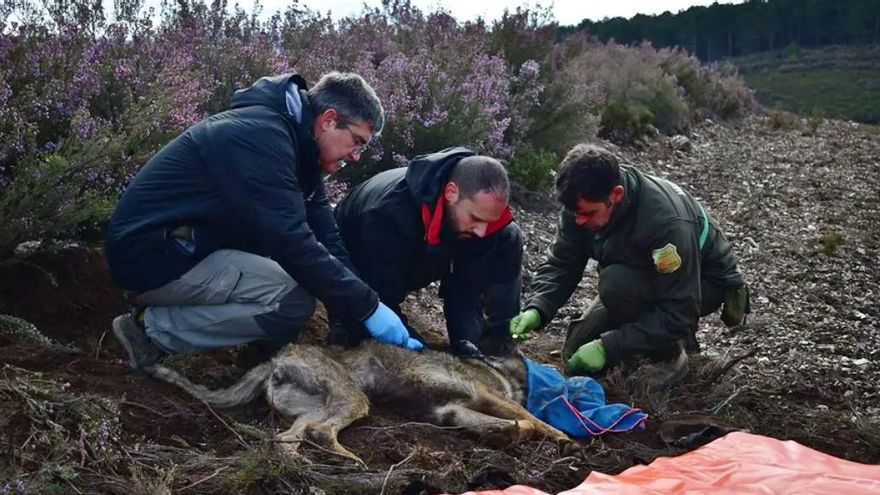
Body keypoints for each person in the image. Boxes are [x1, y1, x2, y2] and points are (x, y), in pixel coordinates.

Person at [105, 72, 423, 370]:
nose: (356, 156)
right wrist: (367, 309)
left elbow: (328, 239)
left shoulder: (297, 152)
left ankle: (251, 345)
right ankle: (148, 332)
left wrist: (365, 312)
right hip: (152, 257)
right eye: (357, 142)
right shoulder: (260, 139)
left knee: (294, 279)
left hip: (185, 246)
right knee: (292, 300)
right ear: (328, 121)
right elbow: (290, 240)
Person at [509, 144, 749, 373]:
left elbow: (681, 312)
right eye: (574, 213)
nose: (579, 221)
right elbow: (562, 264)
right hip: (640, 270)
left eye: (587, 213)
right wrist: (537, 309)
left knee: (616, 285)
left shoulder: (666, 225)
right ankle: (643, 336)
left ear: (616, 194)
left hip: (700, 282)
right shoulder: (581, 201)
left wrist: (608, 347)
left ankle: (675, 353)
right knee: (574, 352)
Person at [332, 148, 523, 357]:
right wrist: (421, 351)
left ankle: (497, 345)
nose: (481, 231)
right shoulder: (387, 215)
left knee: (508, 235)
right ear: (451, 192)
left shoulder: (472, 215)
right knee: (383, 345)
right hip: (353, 261)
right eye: (476, 219)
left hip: (426, 247)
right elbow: (378, 297)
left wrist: (465, 342)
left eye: (488, 221)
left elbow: (465, 286)